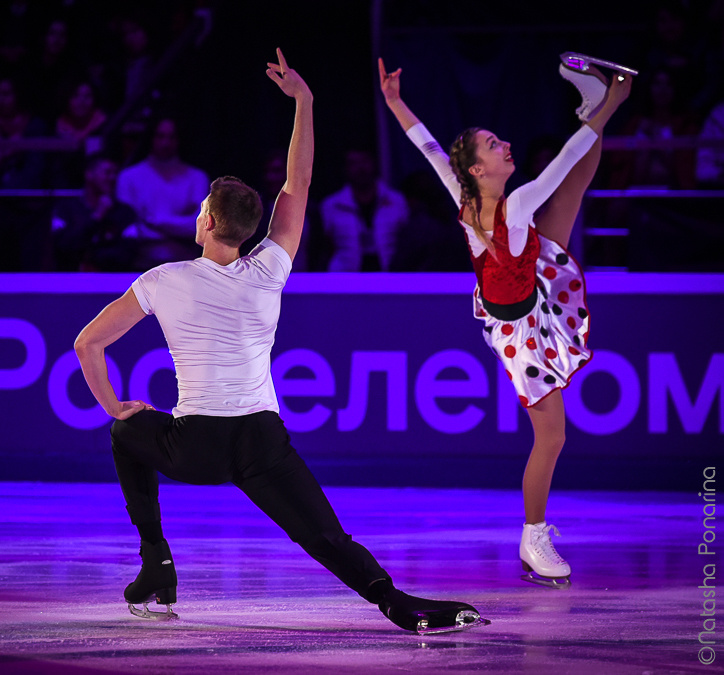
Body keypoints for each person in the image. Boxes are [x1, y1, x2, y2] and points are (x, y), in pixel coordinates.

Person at [74, 49, 487, 635]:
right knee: (324, 535)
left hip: (196, 445)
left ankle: (156, 566)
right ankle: (395, 602)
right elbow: (300, 181)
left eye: (200, 210)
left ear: (209, 224)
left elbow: (88, 344)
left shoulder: (162, 280)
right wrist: (305, 101)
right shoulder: (271, 266)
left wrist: (116, 406)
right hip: (262, 439)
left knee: (124, 433)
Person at [379, 55, 632, 587]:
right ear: (476, 169)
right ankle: (532, 535)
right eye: (494, 146)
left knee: (573, 194)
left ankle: (587, 102)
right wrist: (613, 106)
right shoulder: (514, 205)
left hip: (530, 282)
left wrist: (396, 102)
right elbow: (562, 158)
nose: (506, 146)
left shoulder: (465, 189)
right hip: (521, 334)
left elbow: (427, 147)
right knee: (552, 436)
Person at [115, 116, 209, 268]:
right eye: (160, 136)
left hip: (185, 262)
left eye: (171, 137)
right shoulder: (128, 177)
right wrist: (178, 226)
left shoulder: (197, 178)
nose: (165, 143)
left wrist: (155, 221)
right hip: (139, 263)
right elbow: (129, 228)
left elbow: (199, 227)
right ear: (151, 138)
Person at [320, 146, 408, 271]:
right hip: (345, 277)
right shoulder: (331, 205)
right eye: (354, 163)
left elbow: (405, 240)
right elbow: (326, 245)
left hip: (390, 274)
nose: (361, 168)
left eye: (364, 161)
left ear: (374, 163)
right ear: (345, 169)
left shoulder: (396, 200)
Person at [51, 154, 138, 271]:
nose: (112, 178)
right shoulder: (66, 209)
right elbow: (62, 247)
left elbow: (127, 253)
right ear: (89, 174)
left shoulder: (125, 212)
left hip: (111, 281)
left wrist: (90, 257)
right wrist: (96, 217)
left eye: (115, 173)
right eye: (107, 173)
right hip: (69, 279)